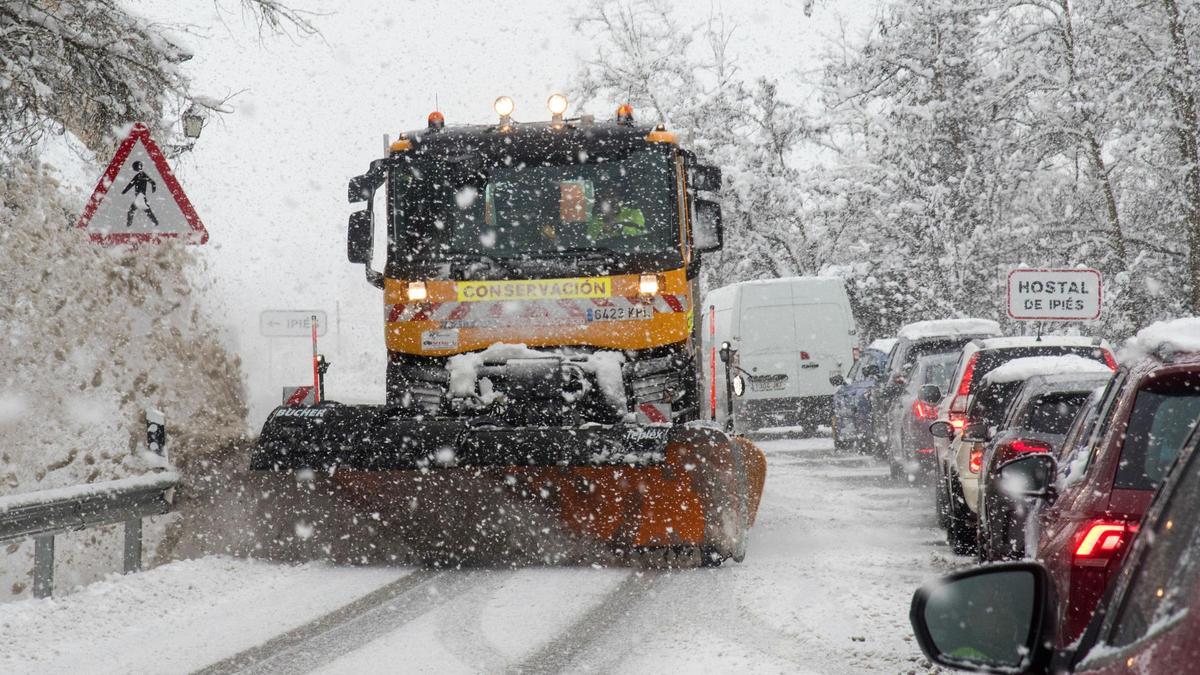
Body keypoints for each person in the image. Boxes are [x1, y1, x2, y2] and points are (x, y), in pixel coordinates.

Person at [122, 161, 160, 228]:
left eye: (135, 167)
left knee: (132, 211)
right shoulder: (141, 175)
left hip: (140, 197)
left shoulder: (140, 175)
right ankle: (155, 222)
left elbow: (131, 184)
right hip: (141, 196)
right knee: (146, 211)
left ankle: (128, 224)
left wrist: (124, 191)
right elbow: (153, 182)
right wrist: (153, 189)